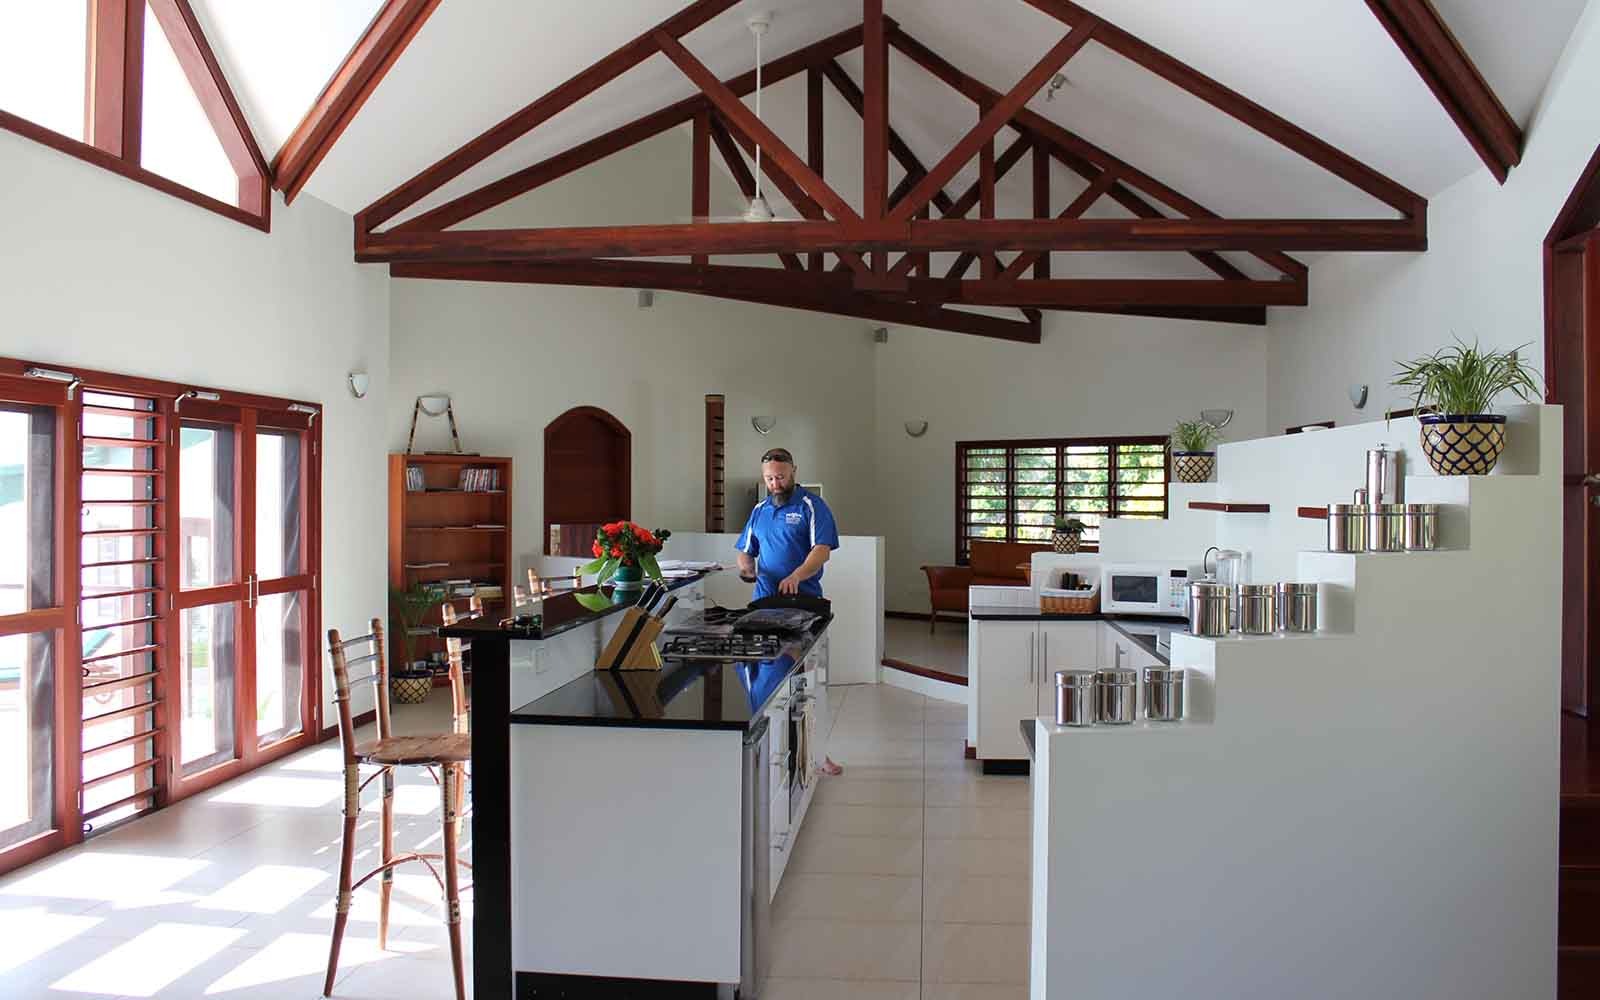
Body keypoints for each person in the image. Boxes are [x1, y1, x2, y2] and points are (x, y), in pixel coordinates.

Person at [735, 447, 839, 600]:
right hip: (764, 597)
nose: (775, 484)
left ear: (794, 471)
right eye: (769, 478)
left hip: (802, 597)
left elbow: (821, 551)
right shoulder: (759, 509)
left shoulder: (812, 506)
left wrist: (796, 576)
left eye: (780, 477)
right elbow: (746, 551)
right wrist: (746, 568)